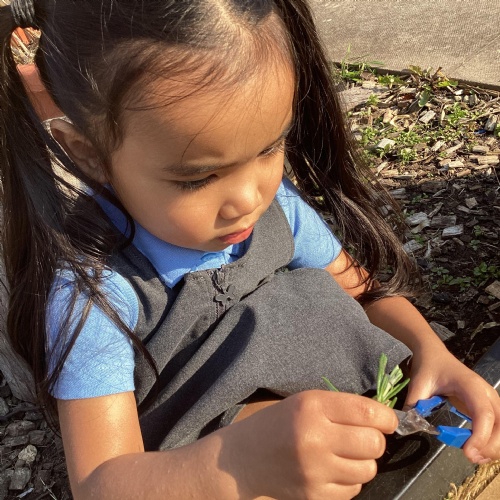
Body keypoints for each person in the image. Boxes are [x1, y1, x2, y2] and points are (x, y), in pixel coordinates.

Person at [1, 0, 499, 498]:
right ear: (87, 152)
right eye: (197, 178)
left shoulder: (277, 204)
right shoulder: (97, 292)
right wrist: (232, 465)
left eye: (269, 148)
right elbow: (100, 483)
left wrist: (429, 350)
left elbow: (362, 292)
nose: (247, 198)